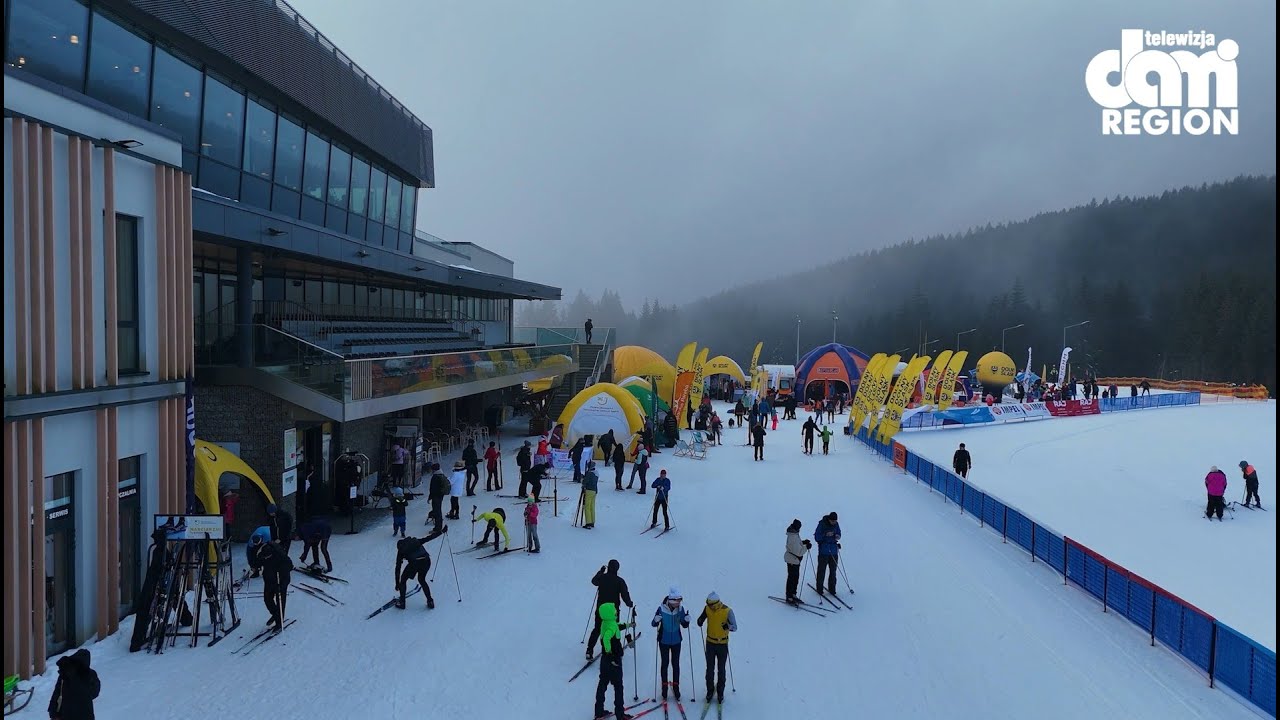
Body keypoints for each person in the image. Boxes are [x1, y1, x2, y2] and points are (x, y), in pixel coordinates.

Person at [696, 591, 738, 704]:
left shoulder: (727, 611)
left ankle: (720, 692)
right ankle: (709, 691)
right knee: (710, 669)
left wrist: (728, 626)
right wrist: (699, 621)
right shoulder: (707, 608)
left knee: (721, 669)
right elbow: (701, 618)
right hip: (710, 643)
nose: (710, 607)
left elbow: (735, 627)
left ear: (716, 603)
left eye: (711, 605)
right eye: (708, 604)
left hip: (722, 644)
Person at [587, 559, 634, 658]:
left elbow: (594, 581)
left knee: (597, 629)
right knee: (613, 629)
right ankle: (611, 650)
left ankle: (589, 650)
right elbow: (625, 594)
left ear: (608, 567)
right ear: (617, 569)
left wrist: (600, 572)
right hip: (613, 612)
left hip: (601, 610)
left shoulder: (602, 577)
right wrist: (629, 603)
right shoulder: (620, 581)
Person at [651, 587, 690, 701]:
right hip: (664, 640)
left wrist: (686, 620)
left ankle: (676, 687)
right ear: (671, 601)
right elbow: (653, 624)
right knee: (665, 663)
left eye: (679, 601)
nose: (679, 603)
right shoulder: (661, 609)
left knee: (675, 664)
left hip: (677, 641)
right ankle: (664, 688)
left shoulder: (680, 609)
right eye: (677, 601)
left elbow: (684, 625)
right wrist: (656, 620)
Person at [394, 526, 446, 610]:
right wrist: (441, 531)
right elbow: (428, 538)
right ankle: (430, 601)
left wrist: (397, 583)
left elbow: (398, 567)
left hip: (415, 563)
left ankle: (402, 603)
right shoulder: (415, 541)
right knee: (422, 580)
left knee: (403, 580)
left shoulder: (400, 551)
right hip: (426, 561)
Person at [592, 602, 629, 720]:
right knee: (618, 686)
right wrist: (610, 652)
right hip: (614, 659)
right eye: (614, 611)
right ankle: (620, 714)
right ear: (609, 613)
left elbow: (616, 626)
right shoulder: (612, 626)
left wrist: (628, 625)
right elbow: (607, 637)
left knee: (603, 683)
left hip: (604, 660)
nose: (616, 612)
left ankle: (599, 711)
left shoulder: (605, 622)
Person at [252, 533, 294, 630]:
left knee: (280, 600)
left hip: (281, 579)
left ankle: (279, 621)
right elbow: (258, 562)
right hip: (269, 579)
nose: (266, 558)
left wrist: (282, 575)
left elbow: (289, 565)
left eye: (267, 557)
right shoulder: (260, 551)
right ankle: (276, 615)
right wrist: (254, 568)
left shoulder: (280, 555)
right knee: (267, 599)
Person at [47, 648, 99, 720]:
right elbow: (94, 693)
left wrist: (53, 712)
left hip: (65, 714)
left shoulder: (65, 671)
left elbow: (56, 693)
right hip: (85, 714)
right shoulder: (90, 674)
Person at [783, 519, 811, 603]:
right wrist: (806, 547)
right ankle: (789, 596)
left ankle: (793, 594)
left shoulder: (794, 534)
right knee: (792, 578)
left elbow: (797, 544)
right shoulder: (792, 536)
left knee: (795, 578)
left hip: (795, 561)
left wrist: (803, 542)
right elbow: (799, 552)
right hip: (792, 560)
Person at [813, 512, 842, 595]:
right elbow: (817, 537)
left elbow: (839, 533)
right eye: (832, 521)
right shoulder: (822, 524)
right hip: (823, 551)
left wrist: (837, 536)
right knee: (821, 571)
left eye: (835, 521)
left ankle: (832, 589)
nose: (834, 522)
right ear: (829, 519)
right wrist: (825, 534)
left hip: (833, 551)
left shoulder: (836, 524)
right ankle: (819, 589)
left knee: (833, 571)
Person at [428, 463, 450, 528]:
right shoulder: (441, 475)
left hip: (436, 496)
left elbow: (432, 489)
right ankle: (439, 526)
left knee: (437, 511)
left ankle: (438, 528)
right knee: (438, 510)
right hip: (440, 495)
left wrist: (430, 497)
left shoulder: (435, 477)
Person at [582, 461, 599, 529]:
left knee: (587, 507)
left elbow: (585, 481)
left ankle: (588, 522)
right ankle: (592, 521)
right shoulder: (596, 473)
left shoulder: (589, 473)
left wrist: (583, 478)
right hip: (594, 491)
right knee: (592, 506)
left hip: (589, 490)